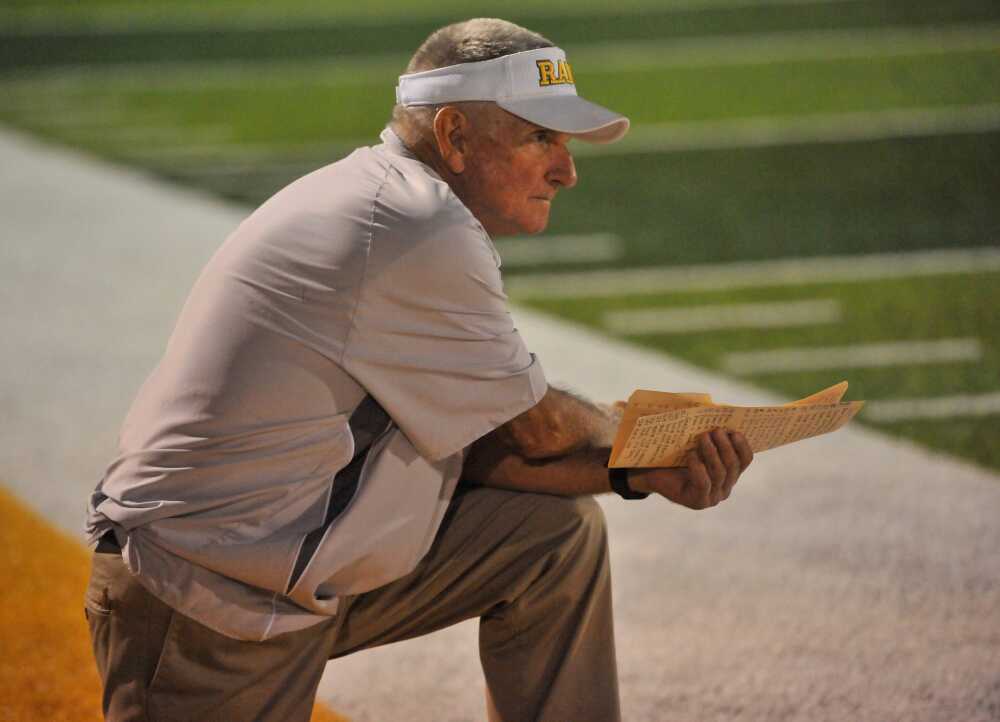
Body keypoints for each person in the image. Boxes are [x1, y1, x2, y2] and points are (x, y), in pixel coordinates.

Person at [84, 17, 754, 722]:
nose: (566, 169)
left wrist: (632, 470)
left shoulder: (390, 201)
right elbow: (536, 431)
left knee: (551, 538)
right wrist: (647, 431)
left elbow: (492, 443)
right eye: (540, 138)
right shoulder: (410, 225)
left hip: (284, 561)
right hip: (204, 597)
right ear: (456, 135)